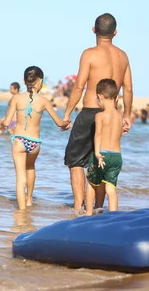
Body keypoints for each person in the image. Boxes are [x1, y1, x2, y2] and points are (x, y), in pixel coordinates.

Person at [62, 13, 133, 214]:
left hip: (90, 112)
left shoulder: (89, 54)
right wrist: (126, 116)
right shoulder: (123, 56)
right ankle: (99, 207)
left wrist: (67, 113)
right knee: (103, 158)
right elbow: (127, 89)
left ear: (94, 30)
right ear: (115, 33)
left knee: (75, 160)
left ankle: (78, 207)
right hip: (113, 114)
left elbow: (79, 86)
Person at [0, 66, 67, 210]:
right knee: (30, 167)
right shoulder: (44, 101)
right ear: (41, 81)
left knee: (20, 176)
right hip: (35, 143)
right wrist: (66, 124)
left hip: (19, 140)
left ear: (24, 81)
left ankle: (22, 210)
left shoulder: (17, 98)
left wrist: (2, 125)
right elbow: (59, 123)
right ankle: (29, 200)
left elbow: (7, 122)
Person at [85, 79, 123, 215]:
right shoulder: (120, 116)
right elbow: (118, 135)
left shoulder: (100, 115)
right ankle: (113, 217)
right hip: (117, 157)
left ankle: (88, 213)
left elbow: (98, 134)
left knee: (91, 183)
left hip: (102, 154)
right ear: (116, 98)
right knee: (111, 189)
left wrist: (96, 153)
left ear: (100, 97)